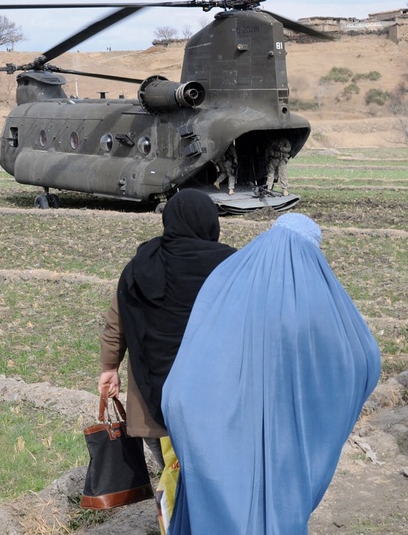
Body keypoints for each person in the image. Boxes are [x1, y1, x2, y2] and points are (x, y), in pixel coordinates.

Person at [162, 213, 381, 534]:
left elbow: (184, 383)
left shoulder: (227, 280)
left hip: (219, 433)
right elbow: (362, 357)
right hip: (282, 445)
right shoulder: (317, 298)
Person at [98, 190, 237, 467]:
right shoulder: (230, 266)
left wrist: (109, 368)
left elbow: (118, 320)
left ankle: (174, 511)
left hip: (152, 404)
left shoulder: (142, 264)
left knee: (172, 478)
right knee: (209, 479)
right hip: (213, 401)